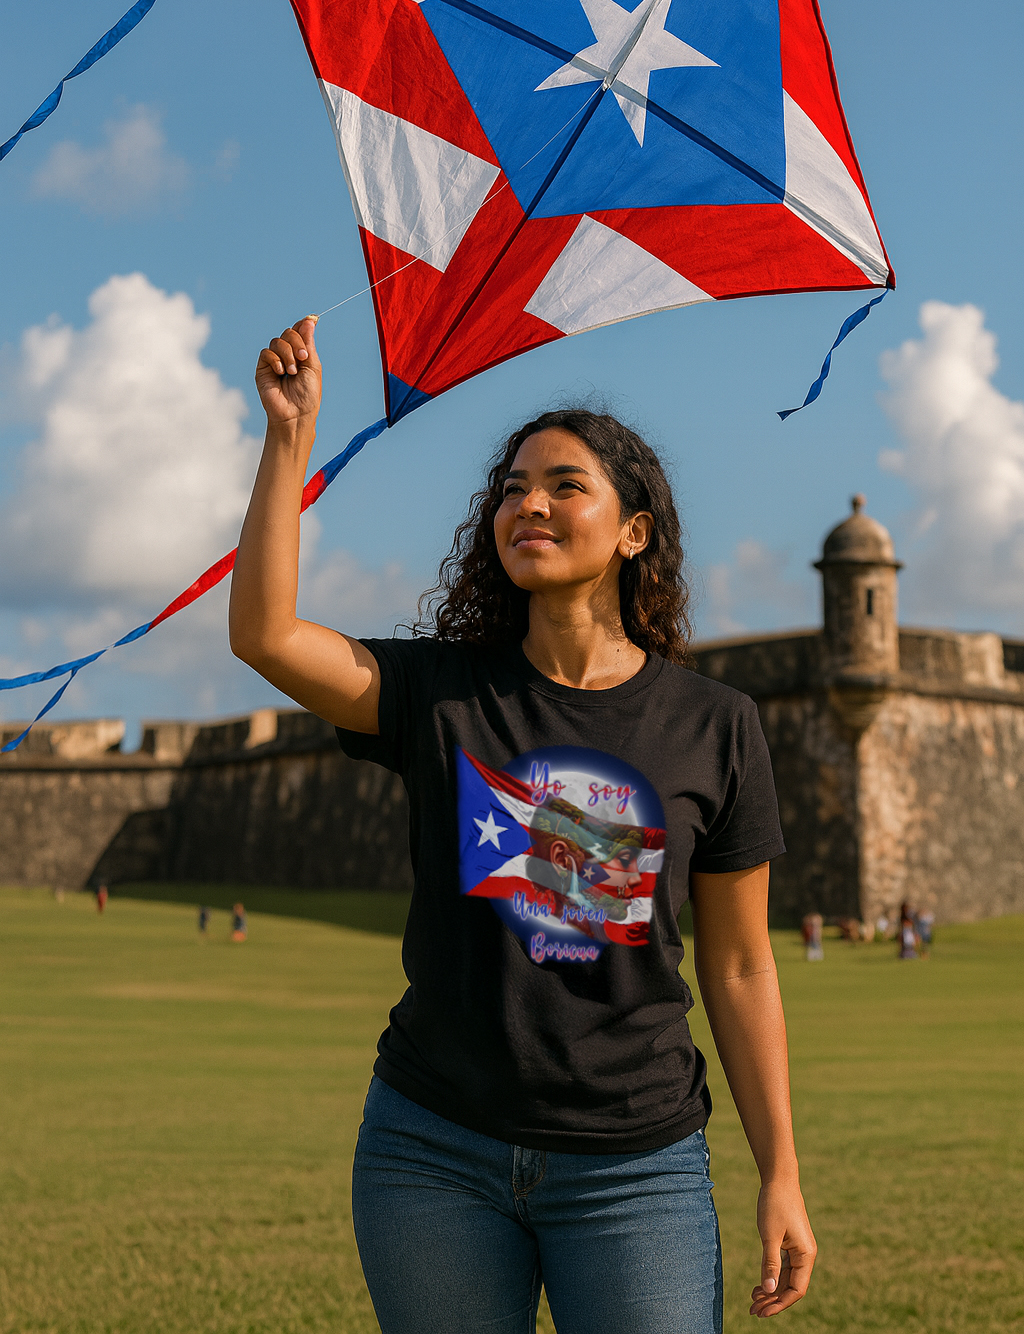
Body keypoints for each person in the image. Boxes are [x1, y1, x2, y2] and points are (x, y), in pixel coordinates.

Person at [229, 315, 817, 1332]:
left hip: (637, 1166)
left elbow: (739, 968)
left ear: (633, 530)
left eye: (563, 485)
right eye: (509, 489)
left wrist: (781, 1175)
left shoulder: (715, 726)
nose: (527, 504)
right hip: (431, 1149)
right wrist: (289, 436)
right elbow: (266, 637)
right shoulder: (439, 692)